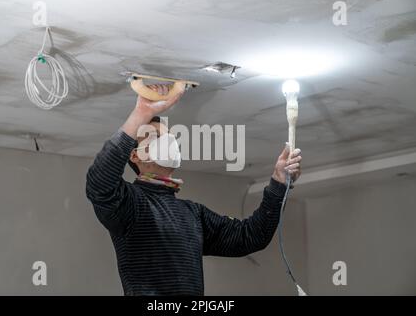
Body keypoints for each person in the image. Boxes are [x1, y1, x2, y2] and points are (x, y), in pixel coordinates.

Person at [86, 84, 302, 295]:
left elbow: (251, 236)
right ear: (135, 156)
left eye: (169, 135)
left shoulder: (193, 214)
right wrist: (142, 113)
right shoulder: (129, 205)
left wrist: (278, 182)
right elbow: (100, 182)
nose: (168, 141)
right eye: (156, 137)